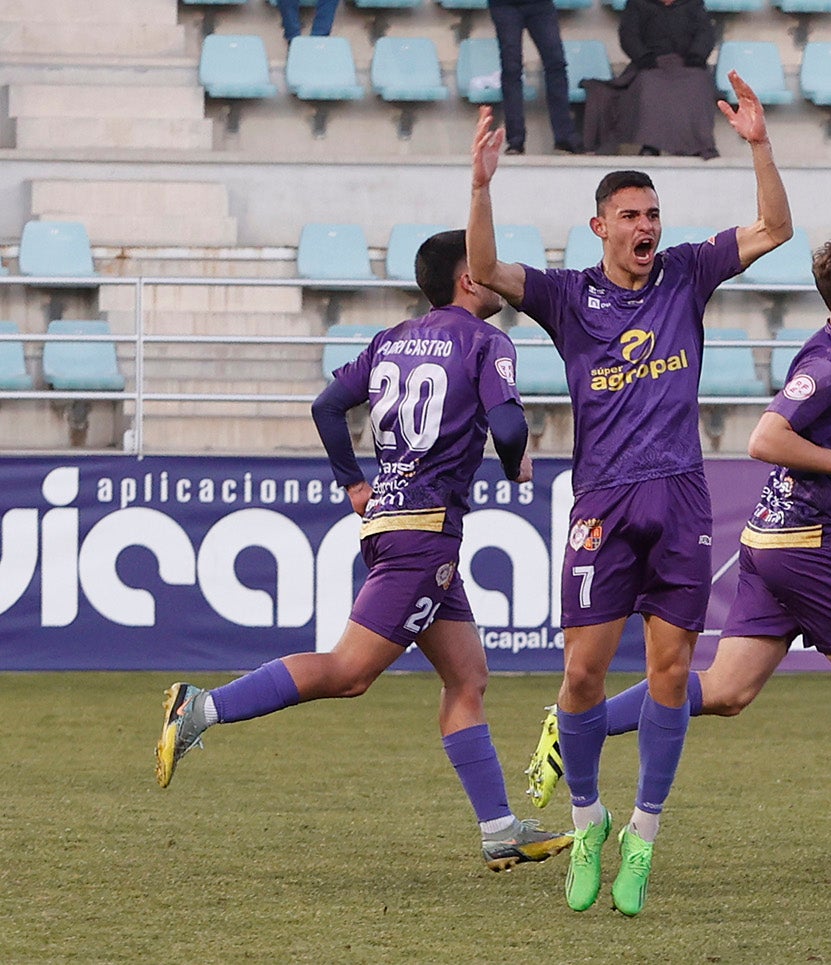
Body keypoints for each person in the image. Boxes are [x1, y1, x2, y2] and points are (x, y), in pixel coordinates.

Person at [524, 232, 831, 882]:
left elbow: (806, 438)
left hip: (773, 545)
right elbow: (766, 437)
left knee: (725, 690)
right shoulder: (830, 362)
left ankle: (576, 722)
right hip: (806, 550)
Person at [466, 70, 792, 916]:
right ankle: (589, 820)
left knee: (672, 670)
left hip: (681, 497)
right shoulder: (569, 298)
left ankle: (643, 833)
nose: (647, 228)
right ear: (600, 227)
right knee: (579, 673)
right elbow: (484, 269)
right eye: (632, 217)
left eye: (653, 215)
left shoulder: (687, 273)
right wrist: (480, 188)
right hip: (602, 504)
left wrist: (758, 143)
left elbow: (775, 228)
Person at [155, 230, 573, 874]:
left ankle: (499, 829)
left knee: (467, 678)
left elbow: (327, 406)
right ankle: (201, 707)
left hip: (392, 522)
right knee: (350, 672)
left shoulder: (391, 341)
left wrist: (353, 479)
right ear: (467, 279)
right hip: (425, 532)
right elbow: (511, 425)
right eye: (485, 266)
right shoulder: (488, 341)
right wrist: (516, 464)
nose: (497, 275)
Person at [582, 0, 719, 158]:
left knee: (698, 82)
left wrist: (697, 55)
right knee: (649, 85)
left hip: (687, 65)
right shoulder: (637, 4)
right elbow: (629, 36)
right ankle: (650, 145)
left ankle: (701, 145)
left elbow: (705, 34)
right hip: (650, 65)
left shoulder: (693, 4)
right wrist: (644, 58)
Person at [488, 0, 583, 155]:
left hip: (540, 4)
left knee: (556, 64)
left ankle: (565, 137)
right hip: (504, 4)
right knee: (511, 69)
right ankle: (515, 140)